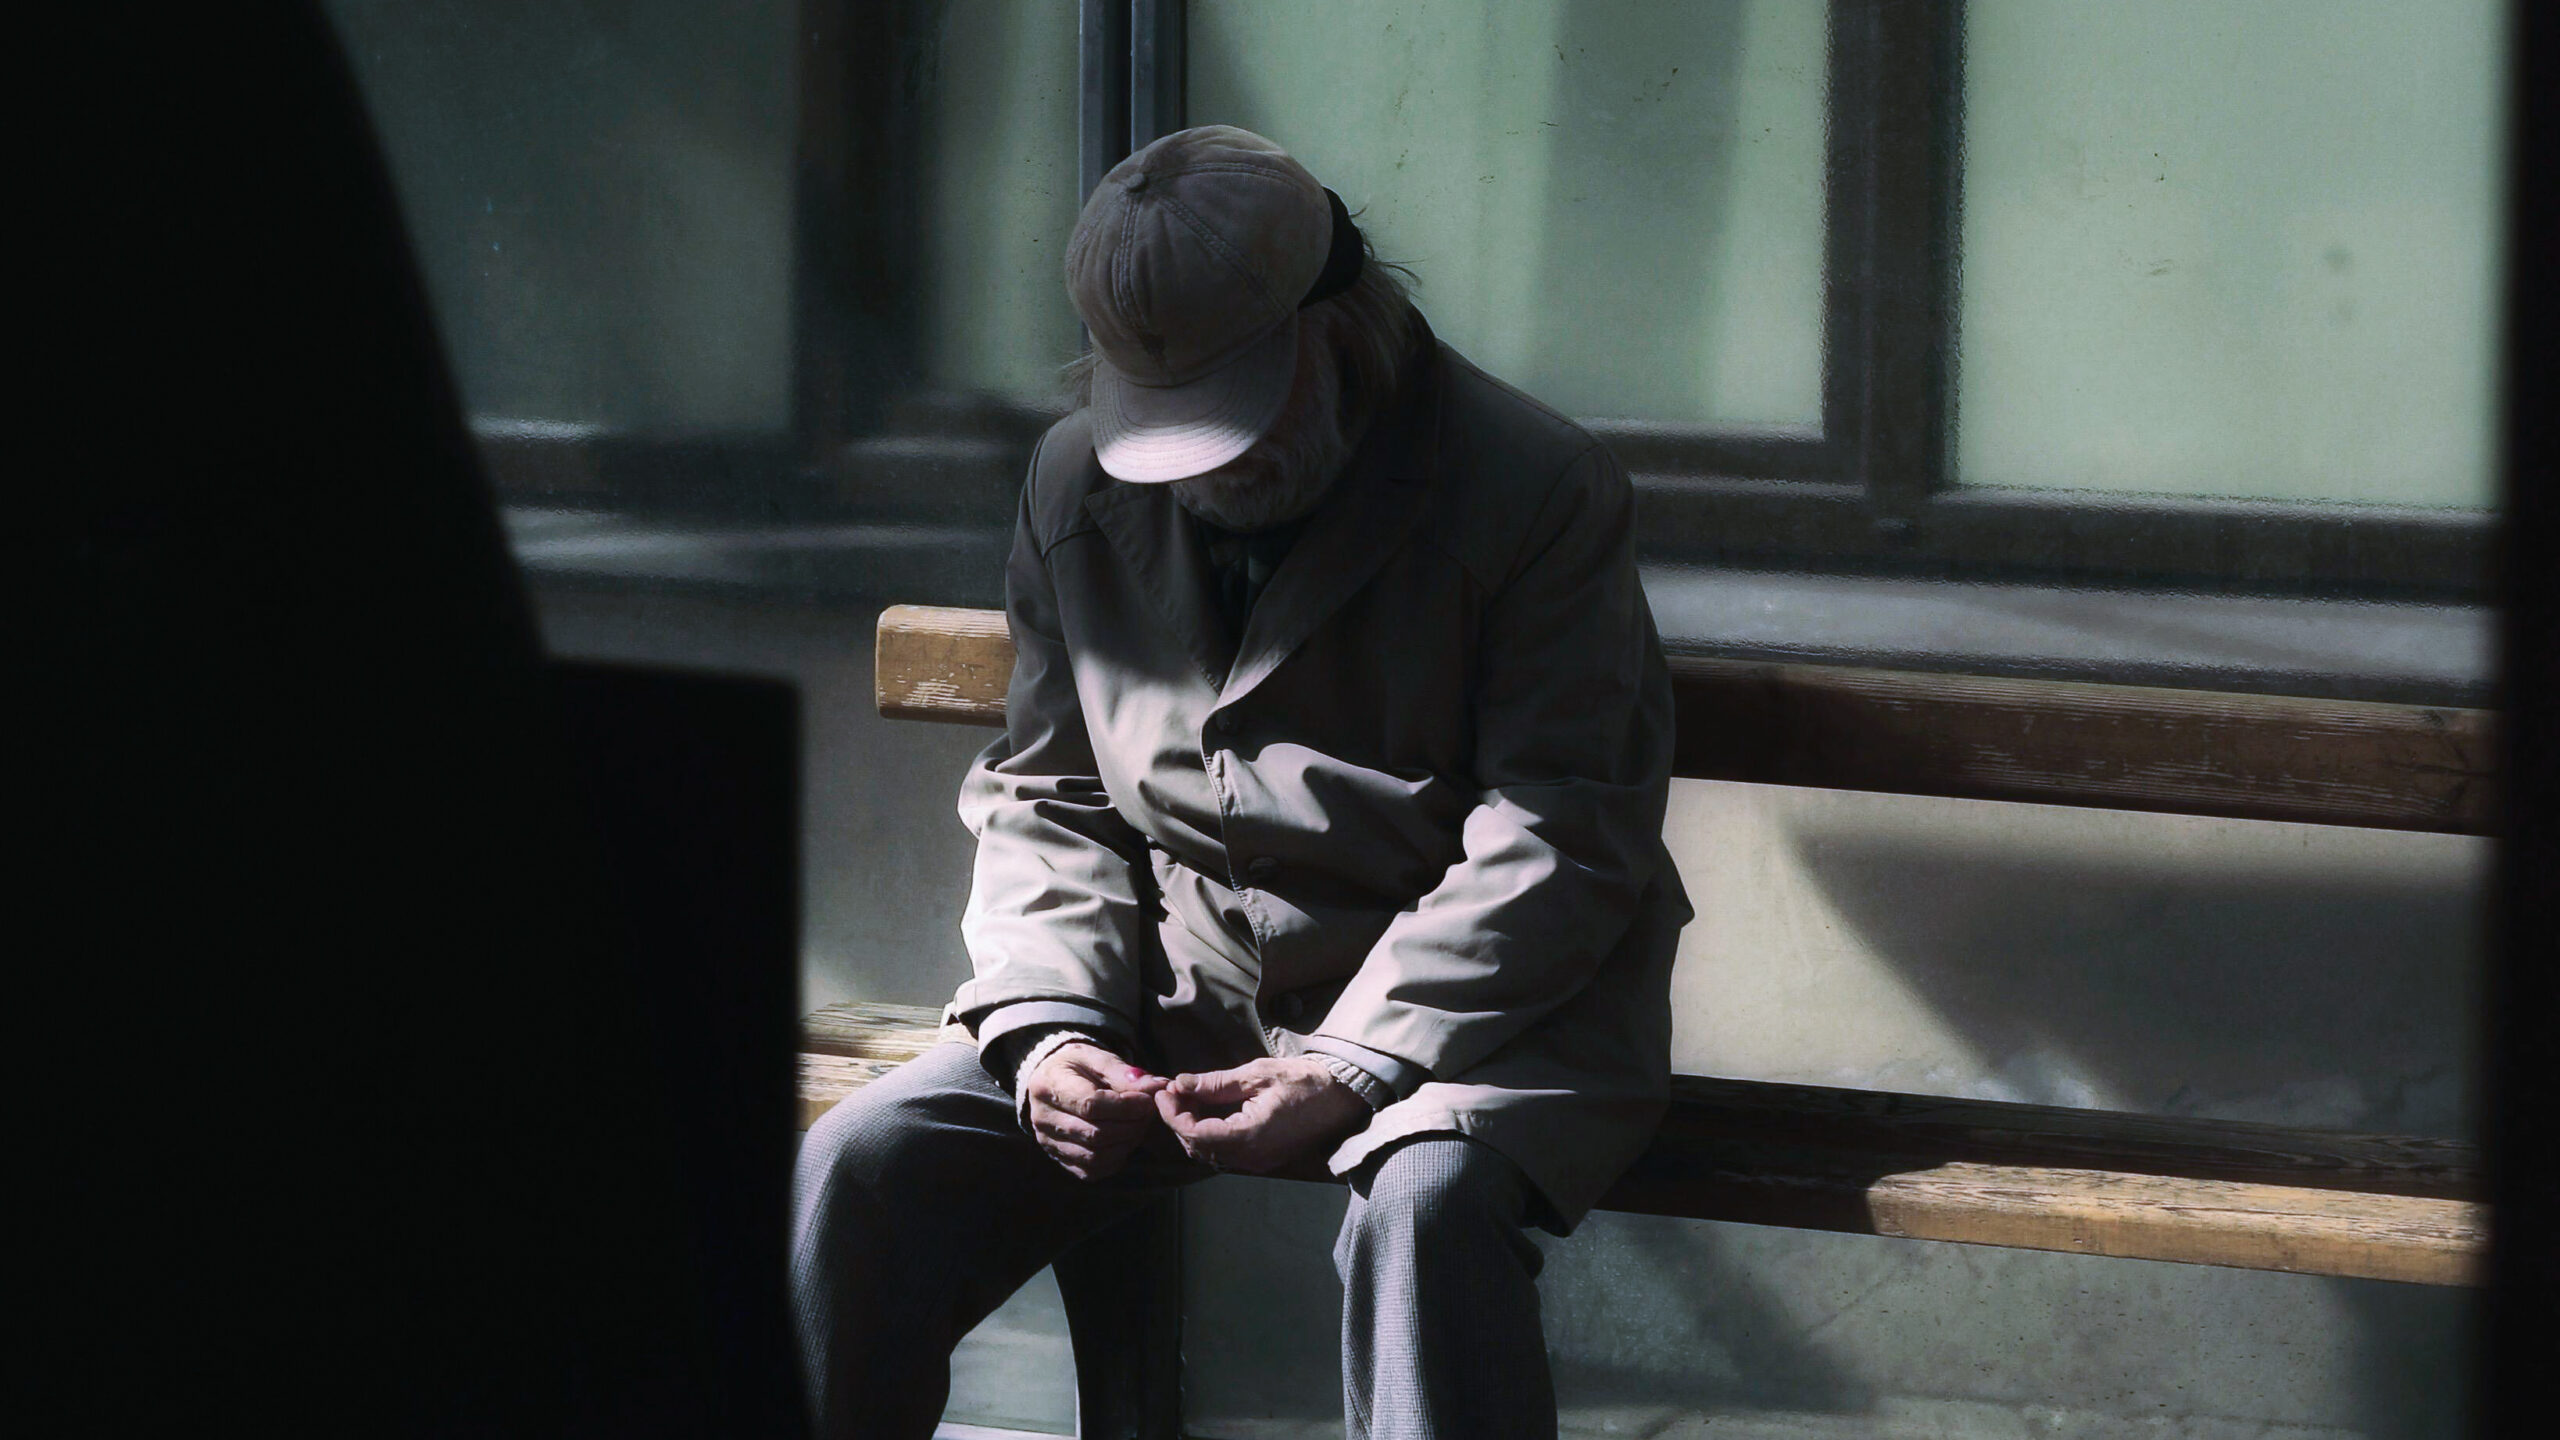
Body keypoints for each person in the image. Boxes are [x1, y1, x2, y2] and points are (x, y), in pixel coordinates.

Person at [792, 124, 1690, 1440]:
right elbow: (1049, 791)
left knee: (1426, 1206)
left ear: (1342, 332)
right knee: (865, 1167)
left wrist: (1356, 1062)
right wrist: (1053, 1030)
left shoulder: (1533, 487)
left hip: (1482, 1008)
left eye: (1235, 420)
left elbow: (1562, 833)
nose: (1205, 472)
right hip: (1179, 981)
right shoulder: (1070, 484)